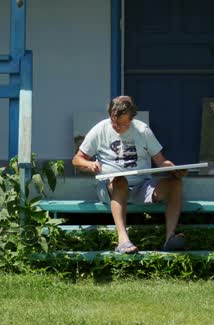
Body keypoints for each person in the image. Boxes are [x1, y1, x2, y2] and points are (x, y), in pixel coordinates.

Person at [72, 95, 186, 254]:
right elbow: (77, 159)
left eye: (121, 124)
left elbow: (161, 161)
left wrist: (173, 169)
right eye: (113, 121)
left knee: (175, 183)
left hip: (141, 186)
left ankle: (170, 237)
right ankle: (123, 240)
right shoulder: (100, 129)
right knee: (120, 180)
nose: (116, 126)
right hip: (110, 188)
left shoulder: (142, 130)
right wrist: (89, 164)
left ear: (131, 119)